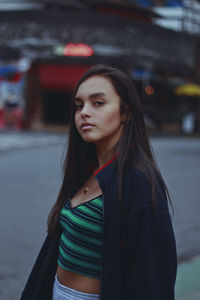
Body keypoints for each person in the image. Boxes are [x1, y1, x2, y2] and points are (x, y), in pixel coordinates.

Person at [21, 64, 177, 300]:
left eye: (98, 103)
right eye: (78, 105)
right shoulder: (85, 170)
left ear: (125, 112)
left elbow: (153, 278)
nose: (84, 112)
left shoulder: (139, 182)